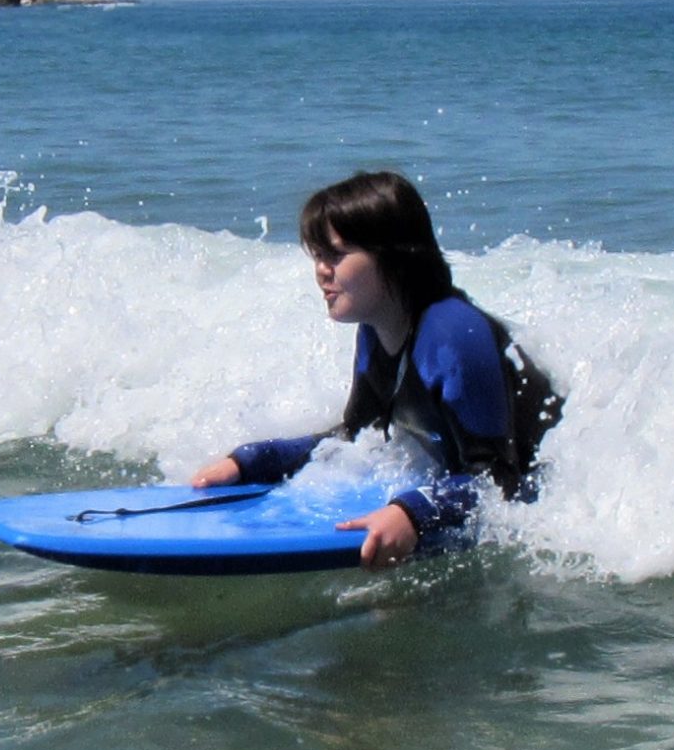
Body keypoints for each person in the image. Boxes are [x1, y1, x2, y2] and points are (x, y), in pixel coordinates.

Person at [190, 169, 564, 568]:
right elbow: (353, 440)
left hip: (551, 499)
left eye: (336, 254)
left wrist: (414, 513)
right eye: (318, 255)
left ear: (394, 257)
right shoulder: (375, 330)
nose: (321, 269)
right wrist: (252, 462)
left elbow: (499, 481)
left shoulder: (454, 334)